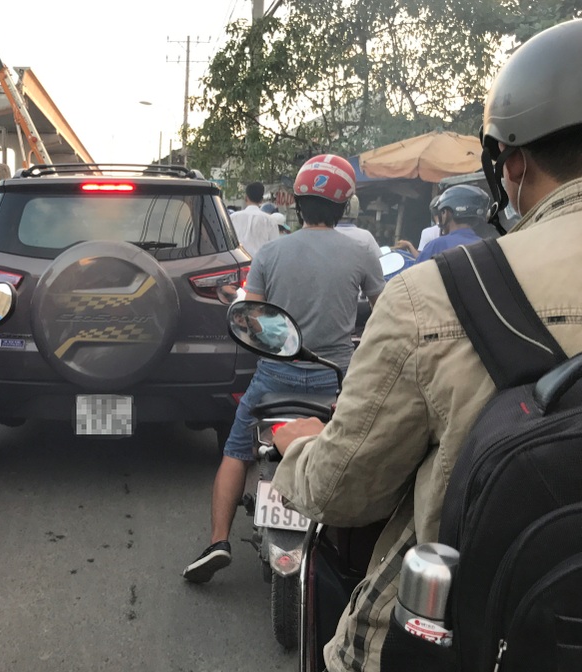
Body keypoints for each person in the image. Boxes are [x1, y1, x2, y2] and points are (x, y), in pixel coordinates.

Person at [266, 19, 582, 671]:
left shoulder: (435, 291)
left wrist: (298, 450)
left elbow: (344, 490)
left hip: (461, 636)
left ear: (511, 163)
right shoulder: (371, 253)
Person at [182, 154, 385, 583]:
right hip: (335, 382)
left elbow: (251, 314)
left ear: (296, 201)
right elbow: (384, 311)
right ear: (344, 204)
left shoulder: (271, 253)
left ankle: (218, 540)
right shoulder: (361, 252)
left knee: (237, 451)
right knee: (357, 452)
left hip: (275, 378)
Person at [413, 184, 490, 263]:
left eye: (442, 212)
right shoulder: (488, 248)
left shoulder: (436, 246)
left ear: (446, 213)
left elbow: (417, 273)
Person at [230, 181, 279, 256]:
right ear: (261, 200)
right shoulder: (270, 221)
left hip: (238, 263)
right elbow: (274, 249)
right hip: (261, 265)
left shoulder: (233, 217)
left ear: (246, 198)